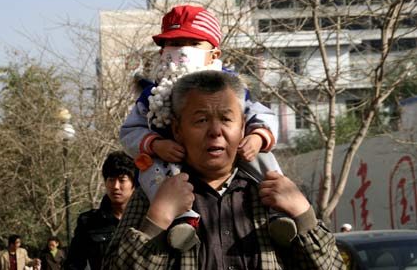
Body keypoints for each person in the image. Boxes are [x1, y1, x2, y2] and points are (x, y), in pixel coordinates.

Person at [104, 70, 344, 269]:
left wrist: (303, 215)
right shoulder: (154, 193)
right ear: (177, 130)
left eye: (227, 119)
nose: (215, 131)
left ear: (242, 129)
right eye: (201, 120)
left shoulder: (273, 192)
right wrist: (158, 219)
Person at [119, 4, 294, 252]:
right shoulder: (153, 94)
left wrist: (257, 137)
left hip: (234, 157)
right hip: (169, 164)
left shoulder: (231, 88)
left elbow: (262, 115)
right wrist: (155, 144)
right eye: (174, 42)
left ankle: (280, 213)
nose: (181, 49)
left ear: (214, 54)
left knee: (265, 159)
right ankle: (182, 221)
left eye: (192, 42)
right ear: (161, 52)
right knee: (151, 171)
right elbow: (129, 132)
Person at [65, 151, 136, 270]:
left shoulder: (146, 219)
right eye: (111, 179)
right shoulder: (89, 221)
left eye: (122, 180)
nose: (115, 186)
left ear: (134, 184)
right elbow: (74, 263)